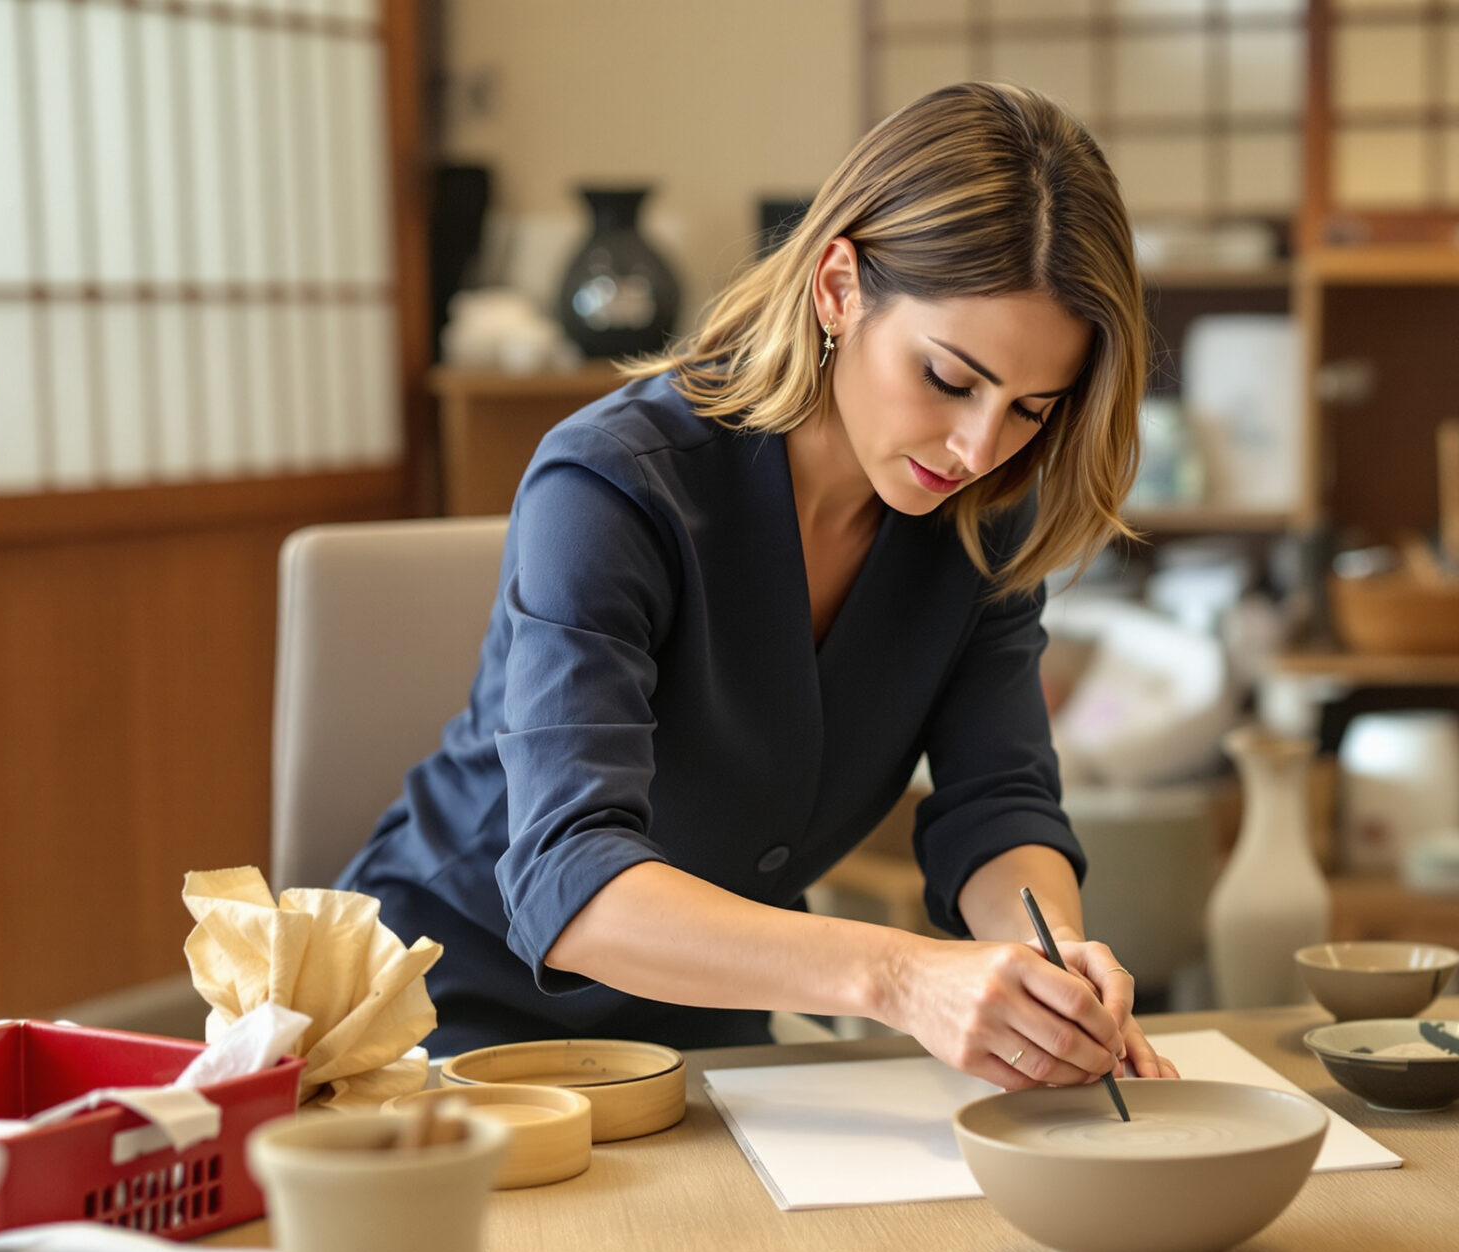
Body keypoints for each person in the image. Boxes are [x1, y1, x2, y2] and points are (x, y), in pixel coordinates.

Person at [339, 82, 1177, 1090]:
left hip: (702, 1032)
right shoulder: (611, 484)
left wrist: (1052, 968)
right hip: (443, 1017)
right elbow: (568, 878)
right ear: (838, 286)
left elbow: (995, 804)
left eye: (1031, 409)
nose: (978, 446)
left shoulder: (983, 519)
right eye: (949, 379)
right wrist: (903, 978)